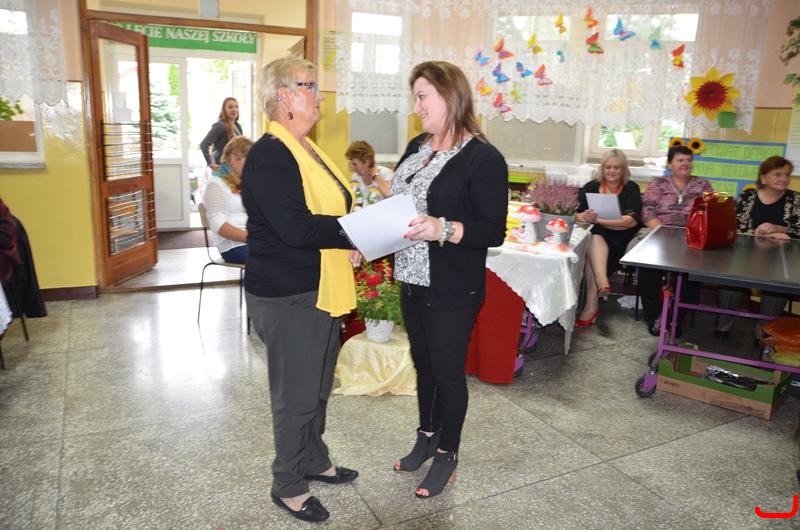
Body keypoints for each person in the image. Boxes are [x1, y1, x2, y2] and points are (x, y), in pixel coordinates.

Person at [240, 57, 361, 524]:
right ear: (284, 96)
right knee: (296, 394)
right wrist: (353, 234)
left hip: (321, 285)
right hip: (289, 293)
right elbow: (295, 227)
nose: (319, 94)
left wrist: (350, 238)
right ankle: (288, 484)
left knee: (317, 385)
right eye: (310, 85)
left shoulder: (307, 147)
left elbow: (330, 213)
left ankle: (313, 458)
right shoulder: (270, 154)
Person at [390, 61, 508, 499]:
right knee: (424, 367)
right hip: (411, 277)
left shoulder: (484, 158)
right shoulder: (417, 147)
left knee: (448, 374)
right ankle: (426, 437)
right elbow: (398, 207)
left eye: (423, 96)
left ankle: (447, 454)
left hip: (453, 286)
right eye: (416, 97)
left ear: (449, 96)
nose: (417, 106)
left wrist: (443, 228)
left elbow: (492, 230)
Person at [715, 156, 800, 340]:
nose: (783, 179)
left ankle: (763, 329)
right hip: (743, 256)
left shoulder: (795, 199)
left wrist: (780, 229)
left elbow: (798, 231)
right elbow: (736, 227)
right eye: (777, 174)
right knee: (729, 281)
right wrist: (765, 234)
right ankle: (724, 323)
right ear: (763, 178)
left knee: (778, 287)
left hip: (779, 261)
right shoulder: (748, 196)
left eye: (786, 174)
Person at [638, 145, 714, 336]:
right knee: (647, 269)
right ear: (669, 164)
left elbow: (710, 212)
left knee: (690, 273)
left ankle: (677, 319)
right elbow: (647, 211)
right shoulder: (658, 183)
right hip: (658, 233)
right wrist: (662, 232)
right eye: (680, 160)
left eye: (689, 160)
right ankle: (654, 316)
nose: (685, 164)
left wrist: (691, 235)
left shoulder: (703, 185)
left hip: (690, 237)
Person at [574, 149, 642, 326]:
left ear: (624, 169)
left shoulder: (631, 188)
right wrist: (584, 217)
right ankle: (601, 284)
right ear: (602, 168)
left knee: (592, 246)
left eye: (616, 167)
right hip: (595, 237)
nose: (612, 171)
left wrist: (598, 220)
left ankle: (592, 303)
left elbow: (630, 221)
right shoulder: (590, 187)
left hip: (620, 238)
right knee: (593, 238)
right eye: (608, 167)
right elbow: (576, 215)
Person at [202, 136, 253, 264]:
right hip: (233, 247)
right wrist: (253, 238)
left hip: (253, 240)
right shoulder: (216, 184)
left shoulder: (245, 182)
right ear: (232, 158)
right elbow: (217, 223)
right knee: (281, 257)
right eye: (248, 159)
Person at [345, 140, 393, 208]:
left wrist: (375, 176)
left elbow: (390, 196)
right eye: (351, 163)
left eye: (355, 164)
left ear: (367, 162)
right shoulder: (355, 178)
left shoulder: (385, 173)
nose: (352, 168)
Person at [200, 97, 243, 170]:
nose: (234, 109)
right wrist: (211, 163)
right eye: (230, 107)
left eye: (236, 107)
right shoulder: (220, 125)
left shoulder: (237, 126)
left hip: (233, 167)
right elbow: (204, 144)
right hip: (222, 167)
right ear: (224, 110)